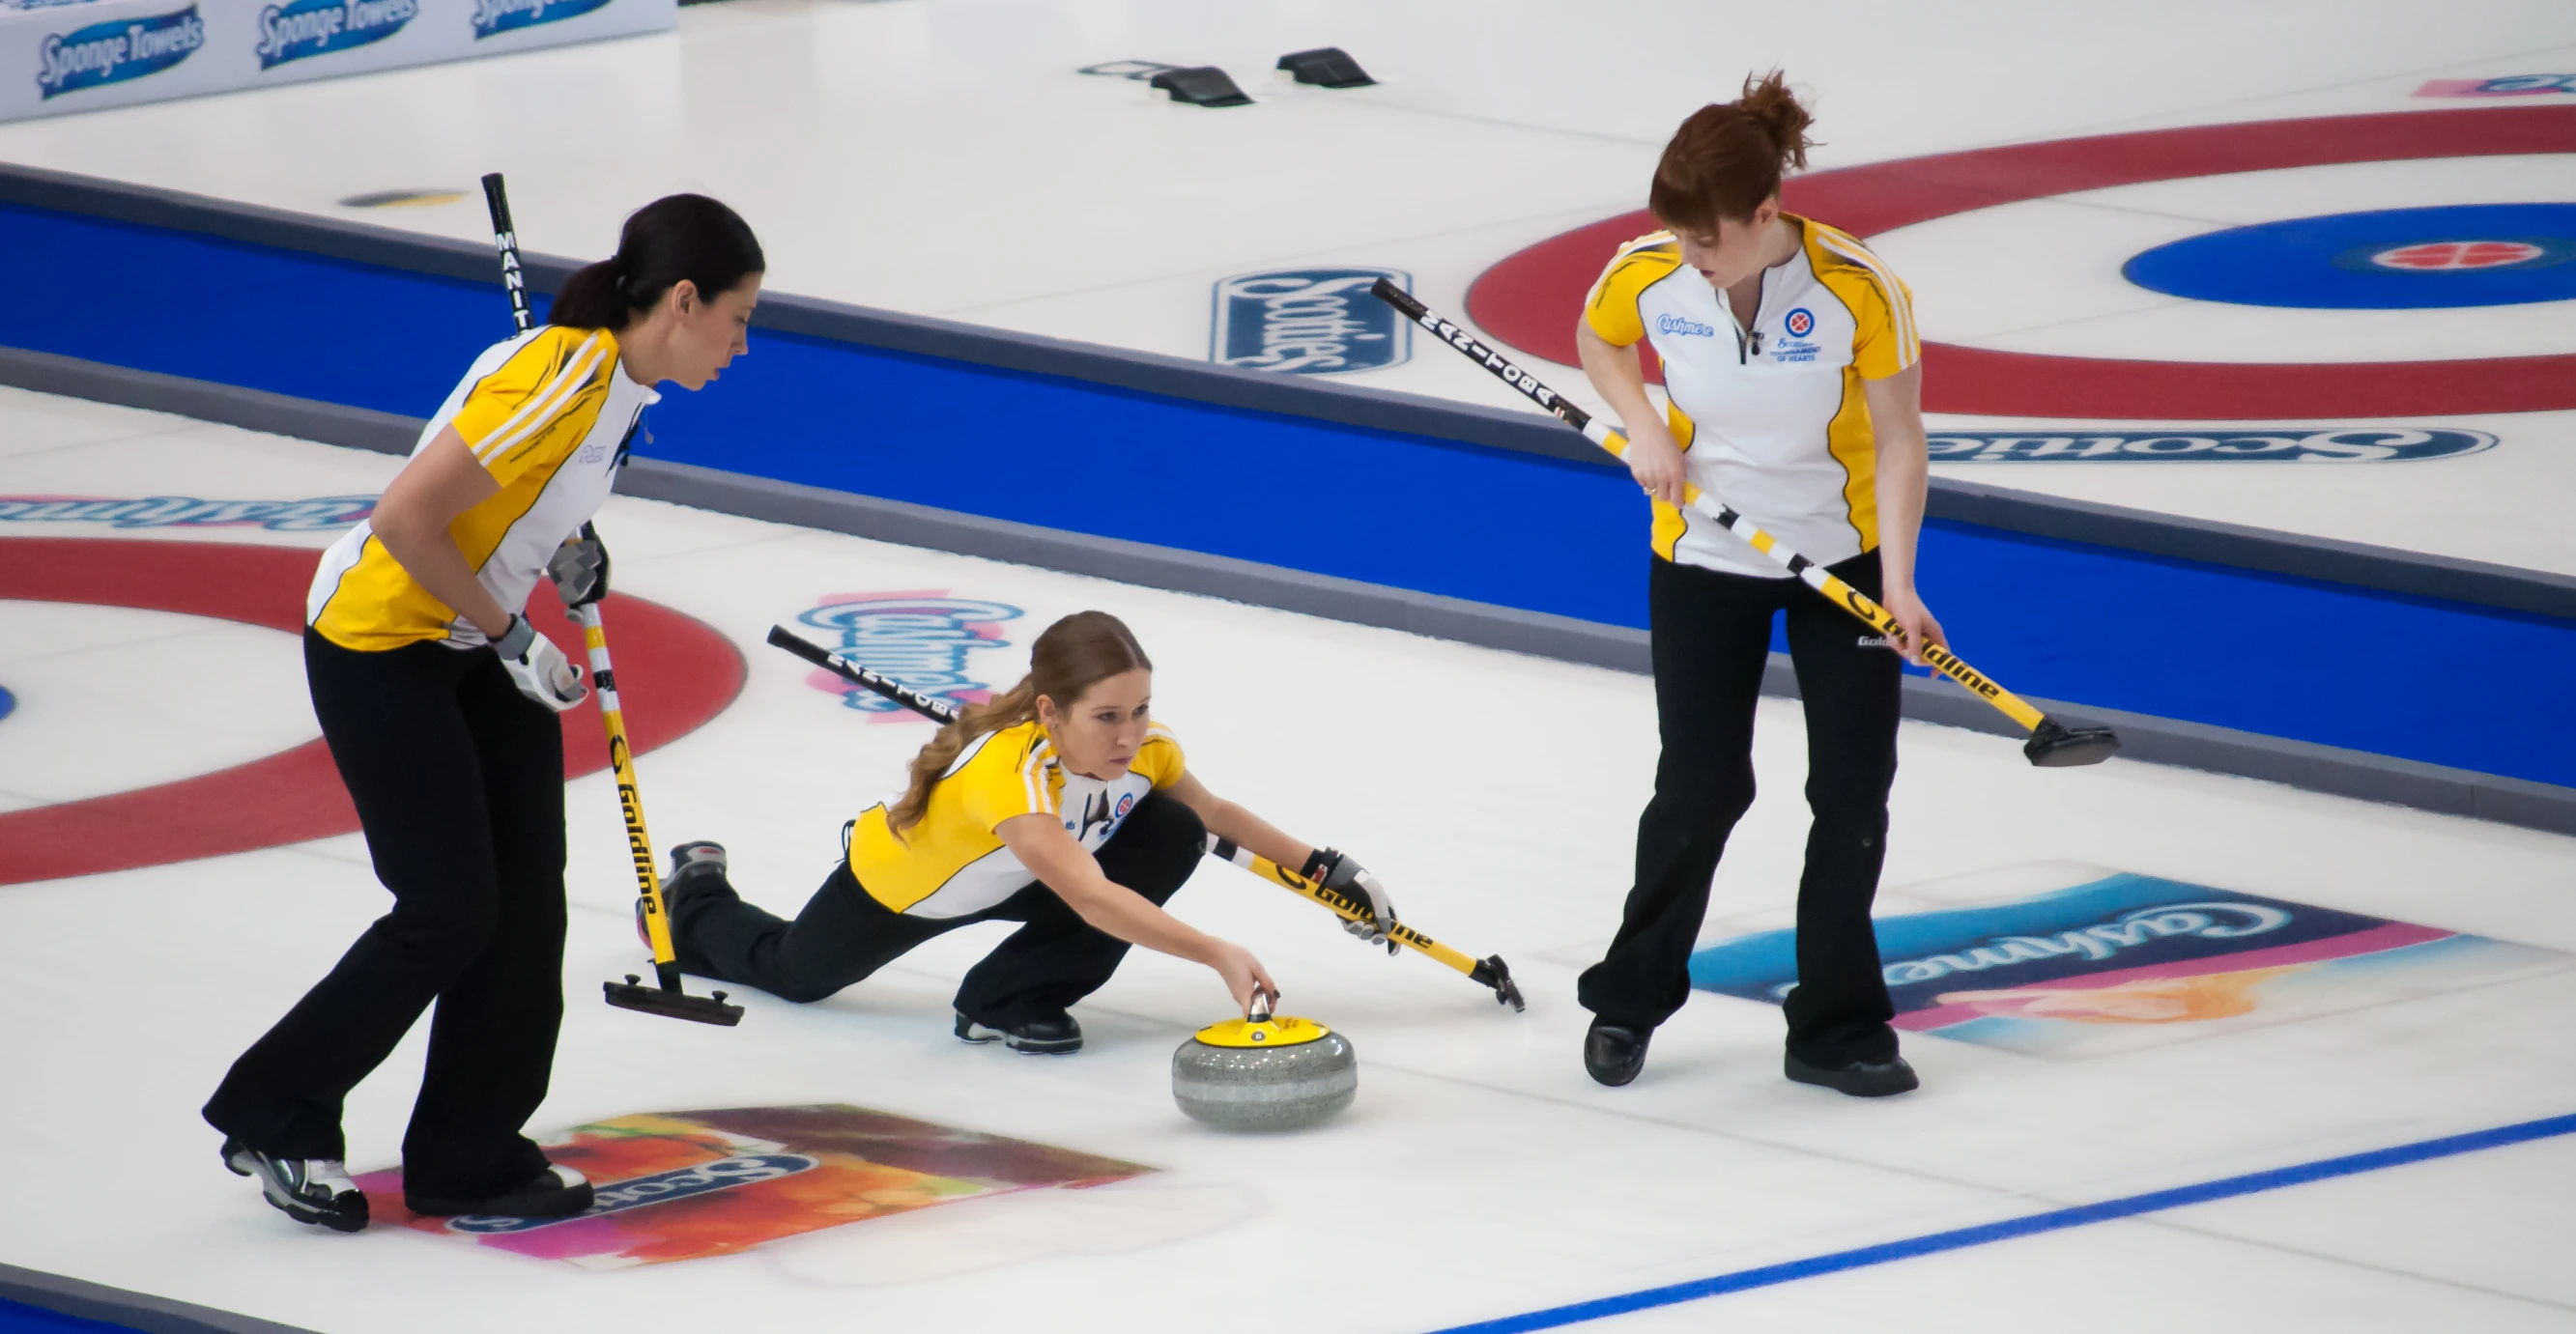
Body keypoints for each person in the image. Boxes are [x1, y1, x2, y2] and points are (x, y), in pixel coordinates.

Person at [202, 194, 766, 1232]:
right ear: (684, 301)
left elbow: (513, 498)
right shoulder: (561, 379)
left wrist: (563, 550)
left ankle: (467, 1152)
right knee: (448, 908)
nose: (742, 343)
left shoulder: (621, 387)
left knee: (524, 899)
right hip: (384, 643)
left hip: (465, 639)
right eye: (737, 317)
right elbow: (406, 518)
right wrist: (513, 633)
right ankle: (273, 1109)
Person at [1572, 71, 1940, 1098]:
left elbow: (1902, 441)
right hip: (1701, 556)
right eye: (1680, 239)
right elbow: (1597, 337)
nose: (1691, 257)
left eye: (1708, 240)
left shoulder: (1858, 290)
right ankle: (1629, 993)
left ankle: (1834, 1025)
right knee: (1697, 786)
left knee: (1850, 794)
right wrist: (1643, 422)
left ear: (1765, 213)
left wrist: (1900, 585)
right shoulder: (1648, 271)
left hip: (1841, 561)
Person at [659, 610, 1399, 1053]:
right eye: (1107, 716)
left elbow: (1212, 816)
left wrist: (1333, 874)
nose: (1129, 735)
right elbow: (1093, 900)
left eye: (1140, 709)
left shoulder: (1147, 749)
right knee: (796, 973)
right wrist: (1217, 953)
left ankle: (1009, 998)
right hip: (908, 887)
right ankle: (693, 895)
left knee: (1170, 828)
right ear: (1050, 713)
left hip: (1028, 875)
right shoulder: (1007, 777)